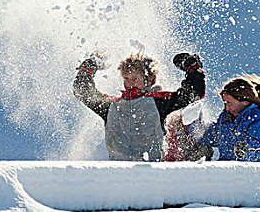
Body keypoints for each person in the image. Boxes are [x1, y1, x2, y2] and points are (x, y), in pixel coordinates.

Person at [73, 51, 205, 161]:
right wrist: (89, 66)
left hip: (150, 172)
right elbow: (82, 91)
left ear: (147, 80)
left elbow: (194, 91)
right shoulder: (113, 106)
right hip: (117, 172)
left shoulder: (158, 102)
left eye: (135, 79)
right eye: (126, 78)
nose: (130, 84)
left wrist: (192, 67)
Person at [190, 76, 260, 162]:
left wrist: (246, 150)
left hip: (250, 170)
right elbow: (206, 136)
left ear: (245, 102)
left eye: (229, 103)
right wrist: (193, 118)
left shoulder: (258, 119)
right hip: (227, 170)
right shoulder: (226, 118)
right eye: (225, 103)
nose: (226, 108)